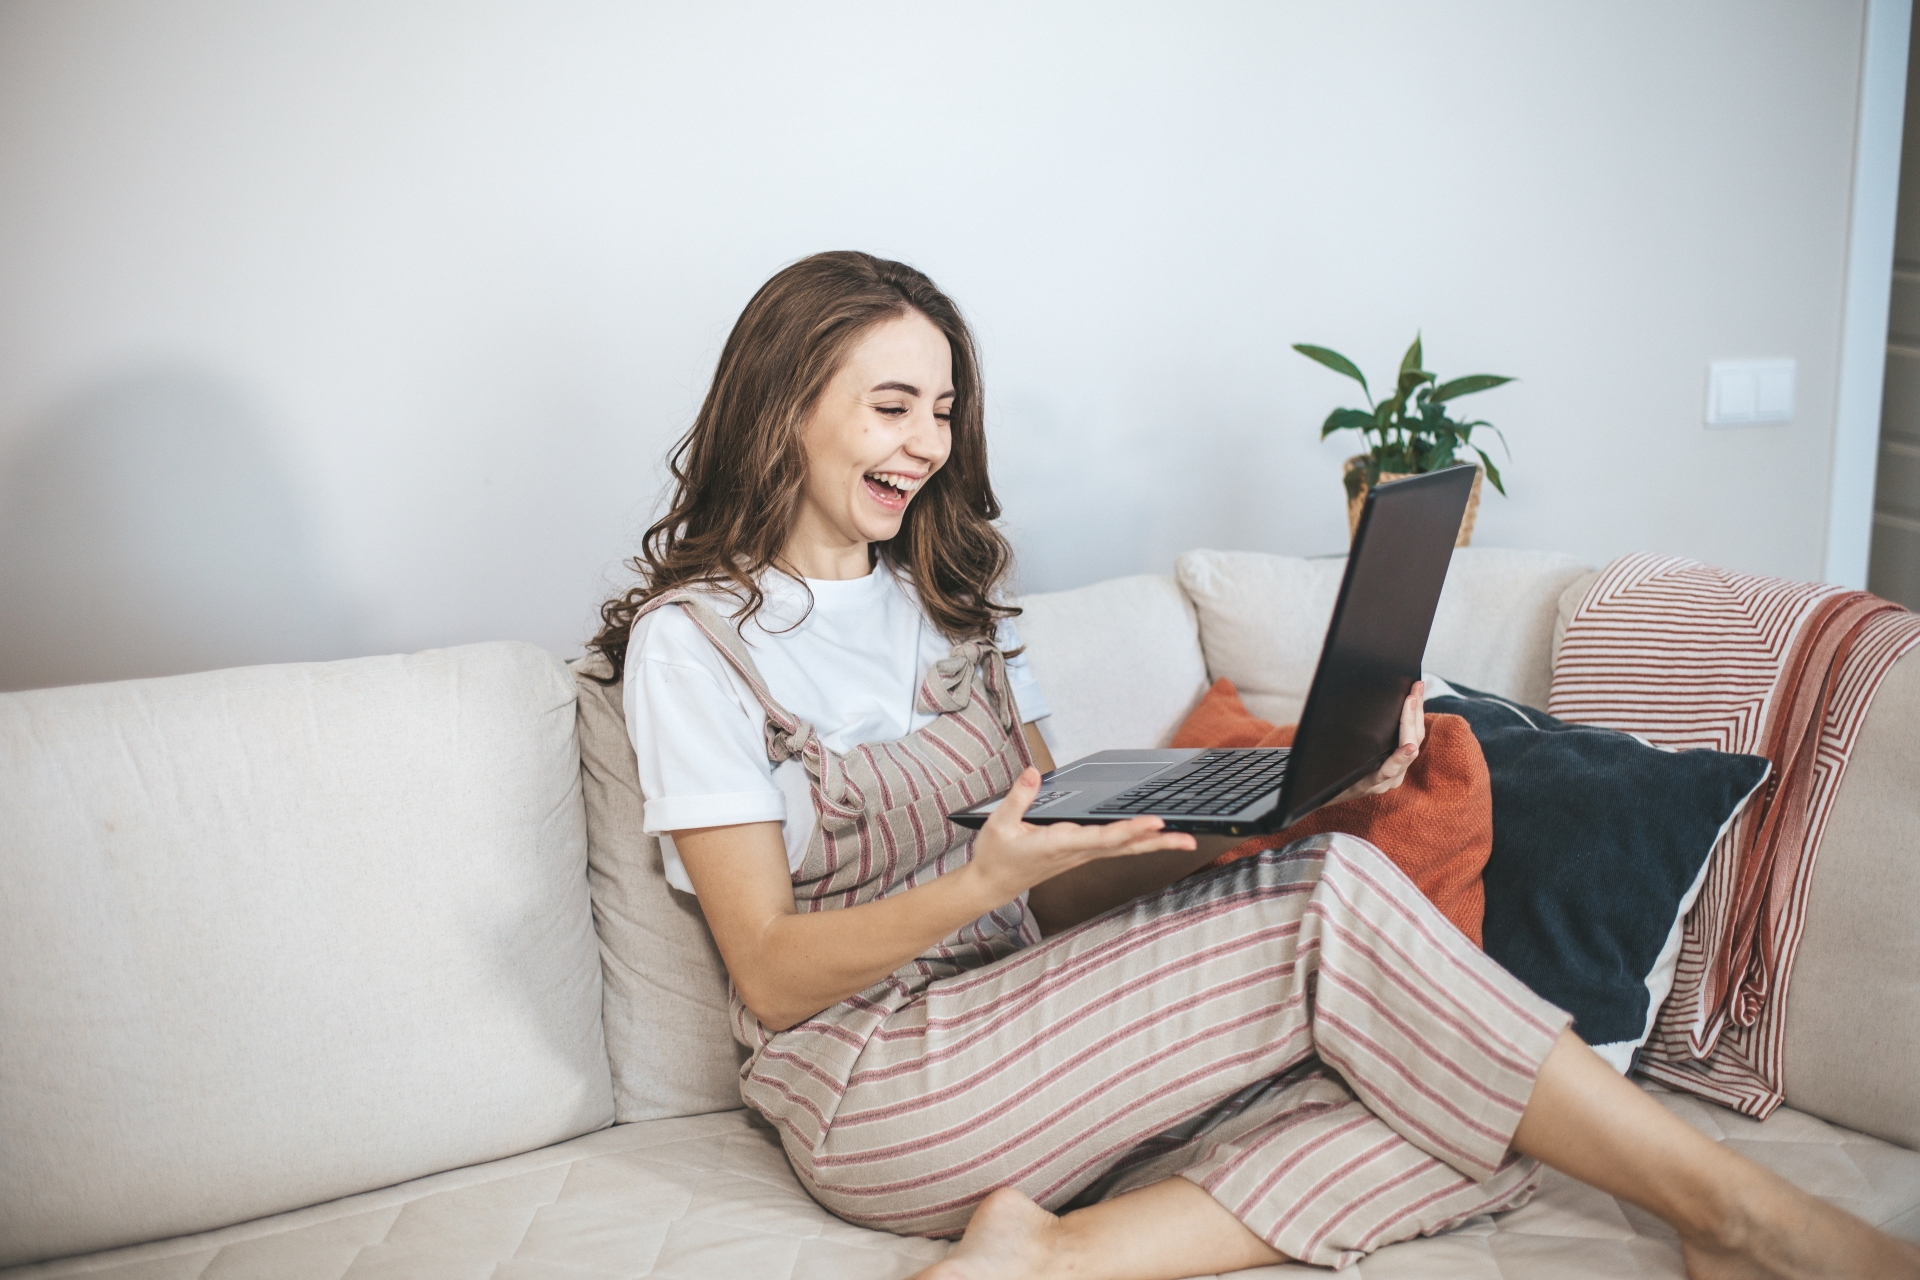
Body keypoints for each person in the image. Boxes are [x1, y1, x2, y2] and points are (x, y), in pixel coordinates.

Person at [591, 250, 1918, 1279]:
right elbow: (766, 966)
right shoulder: (696, 647)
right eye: (890, 406)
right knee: (1382, 962)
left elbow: (1054, 892)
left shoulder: (960, 614)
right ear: (784, 409)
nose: (927, 444)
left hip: (1029, 1021)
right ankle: (1755, 1218)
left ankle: (1055, 1254)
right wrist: (972, 882)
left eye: (940, 409)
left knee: (1458, 1089)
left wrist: (1293, 807)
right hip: (872, 1083)